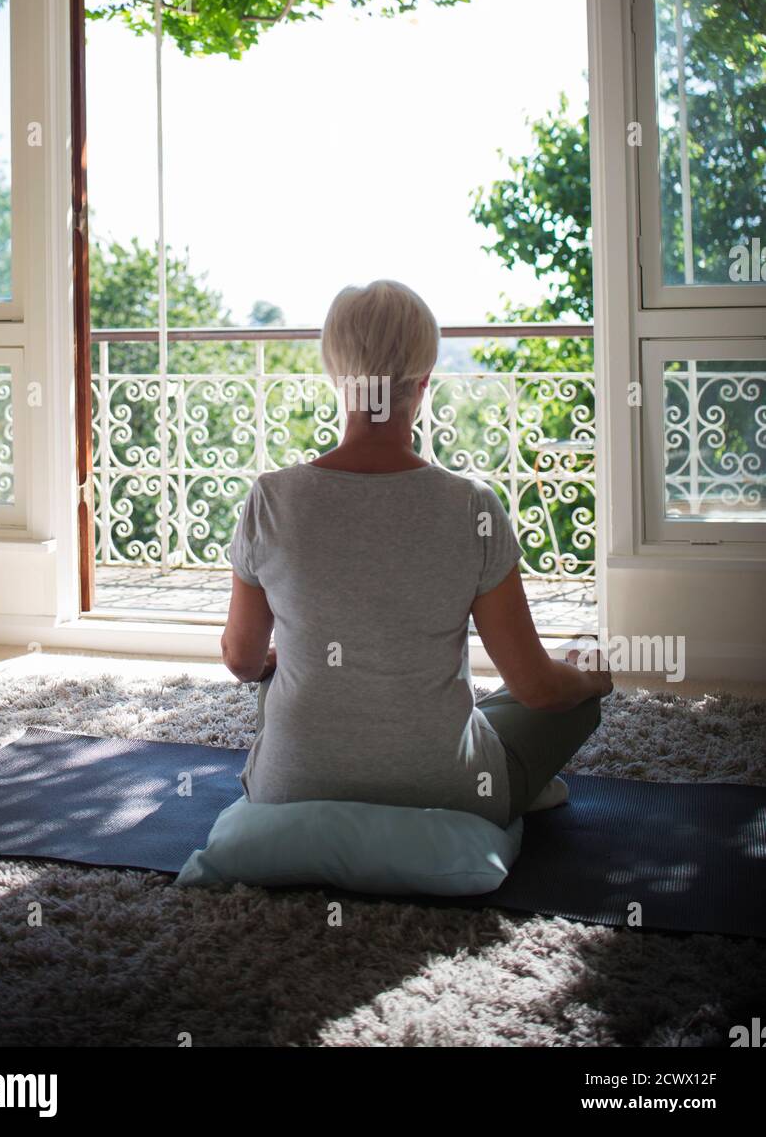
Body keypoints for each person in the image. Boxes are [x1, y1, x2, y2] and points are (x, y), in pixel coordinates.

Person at [221, 280, 610, 828]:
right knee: (570, 687)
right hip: (452, 794)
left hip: (287, 790)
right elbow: (537, 688)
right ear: (424, 382)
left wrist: (284, 658)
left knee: (275, 682)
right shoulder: (472, 505)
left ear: (336, 378)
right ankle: (523, 779)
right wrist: (591, 676)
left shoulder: (272, 496)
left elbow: (241, 661)